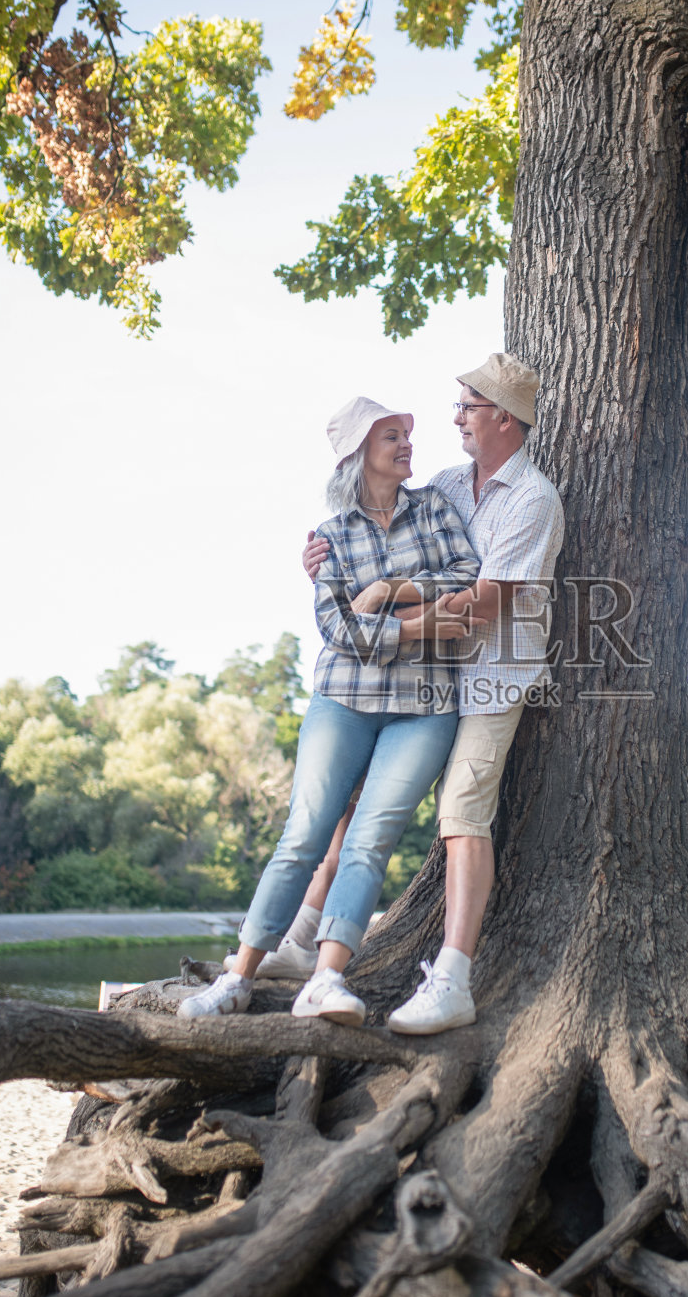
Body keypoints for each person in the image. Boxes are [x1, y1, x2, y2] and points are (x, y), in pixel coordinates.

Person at [179, 397, 483, 1022]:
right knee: (303, 835)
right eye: (391, 436)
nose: (406, 444)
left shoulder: (434, 506)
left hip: (424, 707)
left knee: (370, 841)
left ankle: (325, 980)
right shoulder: (331, 537)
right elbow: (337, 629)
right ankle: (237, 979)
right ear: (358, 456)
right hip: (342, 700)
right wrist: (421, 626)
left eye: (404, 434)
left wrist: (388, 591)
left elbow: (467, 576)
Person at [300, 352, 564, 1034]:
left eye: (467, 408)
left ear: (504, 418)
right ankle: (303, 935)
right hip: (429, 672)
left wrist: (382, 603)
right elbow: (380, 527)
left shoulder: (533, 499)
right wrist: (325, 561)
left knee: (461, 814)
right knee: (356, 794)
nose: (456, 420)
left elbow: (483, 605)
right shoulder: (447, 483)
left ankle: (452, 980)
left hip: (491, 679)